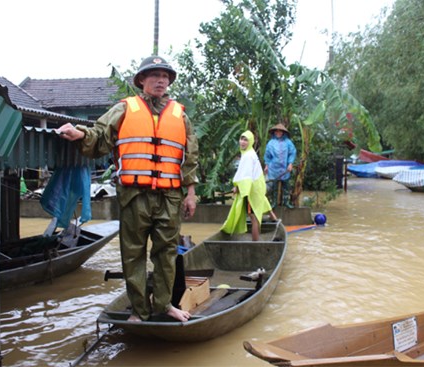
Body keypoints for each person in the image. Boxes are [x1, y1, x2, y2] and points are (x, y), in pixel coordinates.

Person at [57, 56, 198, 323]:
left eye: (165, 76)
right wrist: (79, 134)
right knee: (133, 253)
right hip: (135, 195)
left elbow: (189, 158)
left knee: (166, 252)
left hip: (170, 196)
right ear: (142, 81)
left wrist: (191, 194)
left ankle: (165, 305)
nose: (161, 80)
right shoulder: (124, 109)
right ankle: (139, 310)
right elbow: (99, 136)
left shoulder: (180, 115)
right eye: (154, 75)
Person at [221, 130, 278, 241]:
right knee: (256, 214)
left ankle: (255, 243)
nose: (242, 142)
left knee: (254, 217)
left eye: (246, 140)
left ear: (251, 141)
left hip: (252, 190)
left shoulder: (248, 156)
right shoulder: (250, 153)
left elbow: (246, 177)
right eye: (241, 139)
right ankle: (273, 221)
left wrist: (238, 187)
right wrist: (238, 185)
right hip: (257, 189)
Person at [264, 123, 297, 208]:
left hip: (285, 168)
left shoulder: (288, 142)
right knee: (274, 186)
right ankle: (273, 203)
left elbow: (292, 153)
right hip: (273, 168)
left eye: (280, 131)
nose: (278, 133)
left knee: (286, 186)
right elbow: (267, 155)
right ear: (274, 132)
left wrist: (290, 163)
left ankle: (286, 202)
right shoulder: (271, 143)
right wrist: (266, 165)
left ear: (283, 132)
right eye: (276, 131)